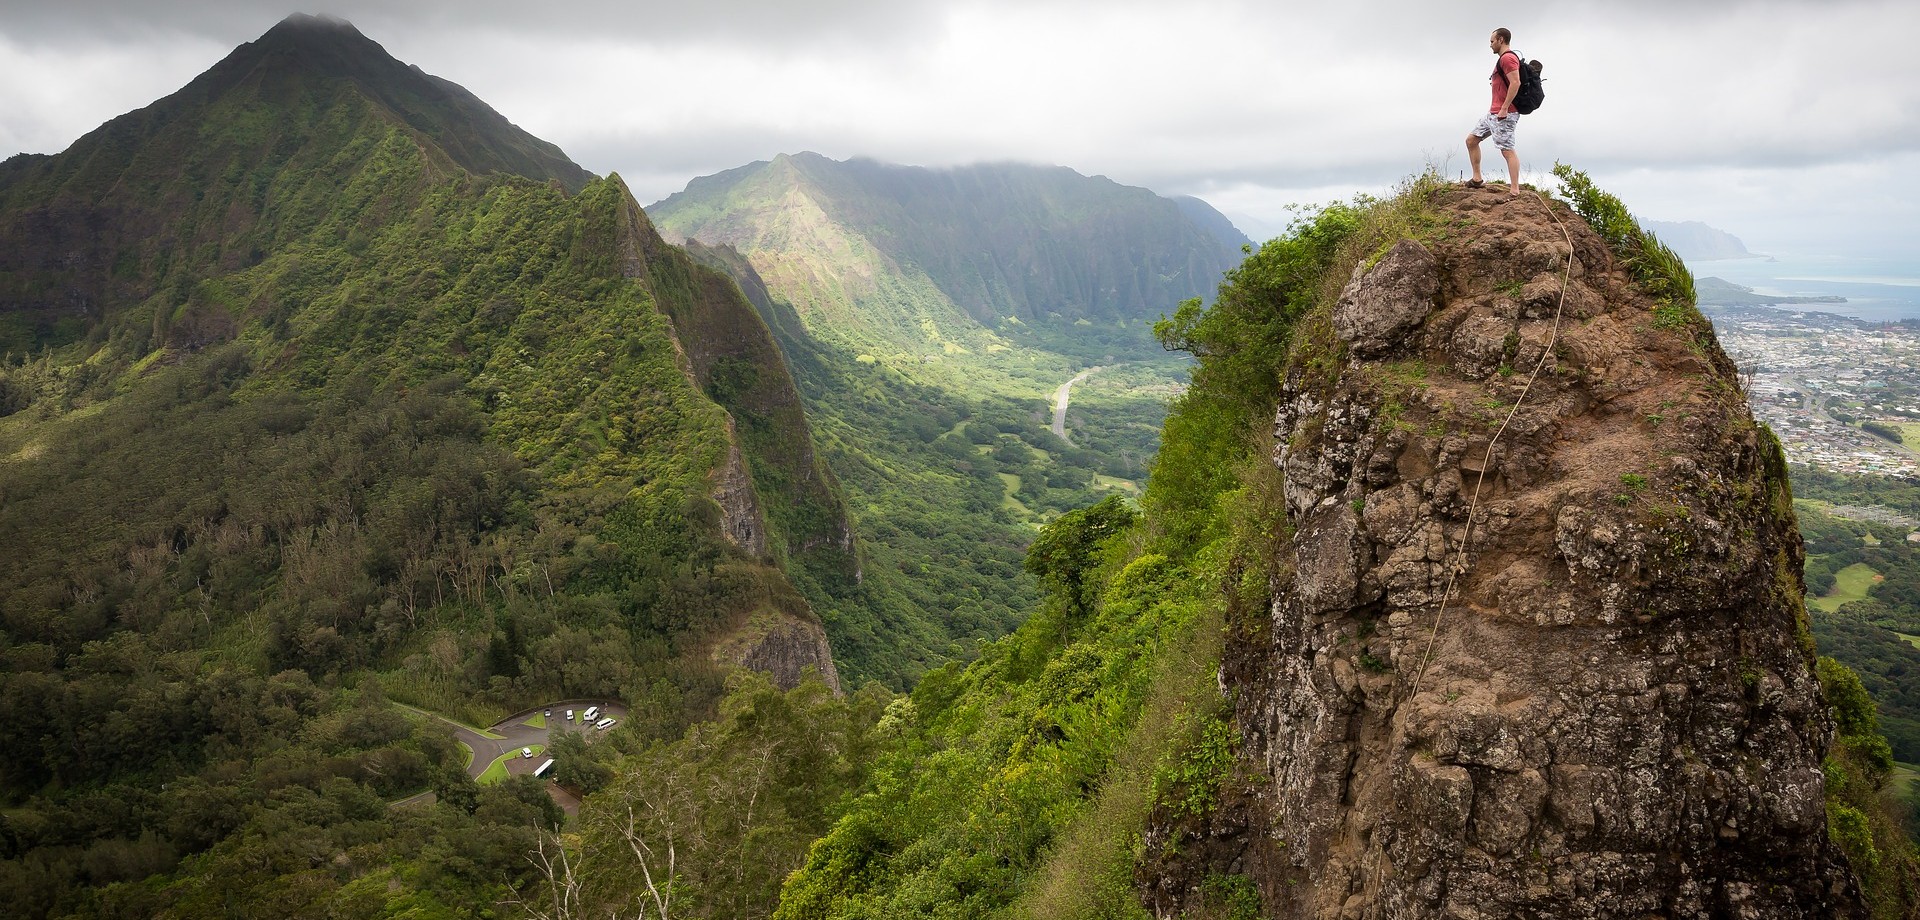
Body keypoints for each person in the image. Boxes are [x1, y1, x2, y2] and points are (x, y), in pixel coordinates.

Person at [1466, 28, 1522, 194]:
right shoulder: (1503, 60)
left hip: (1505, 113)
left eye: (1492, 41)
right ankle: (1477, 178)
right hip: (1493, 113)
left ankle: (1514, 189)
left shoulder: (1508, 58)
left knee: (1507, 150)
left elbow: (1516, 82)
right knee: (1471, 140)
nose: (1490, 45)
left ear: (1501, 40)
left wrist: (1504, 107)